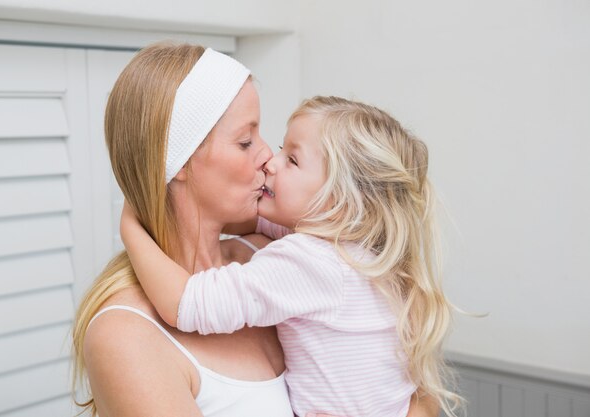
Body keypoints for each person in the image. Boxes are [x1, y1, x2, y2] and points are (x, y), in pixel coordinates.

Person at [72, 41, 440, 417]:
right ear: (179, 162)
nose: (267, 156)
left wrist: (134, 221)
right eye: (246, 141)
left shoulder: (271, 253)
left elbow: (419, 395)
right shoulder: (125, 334)